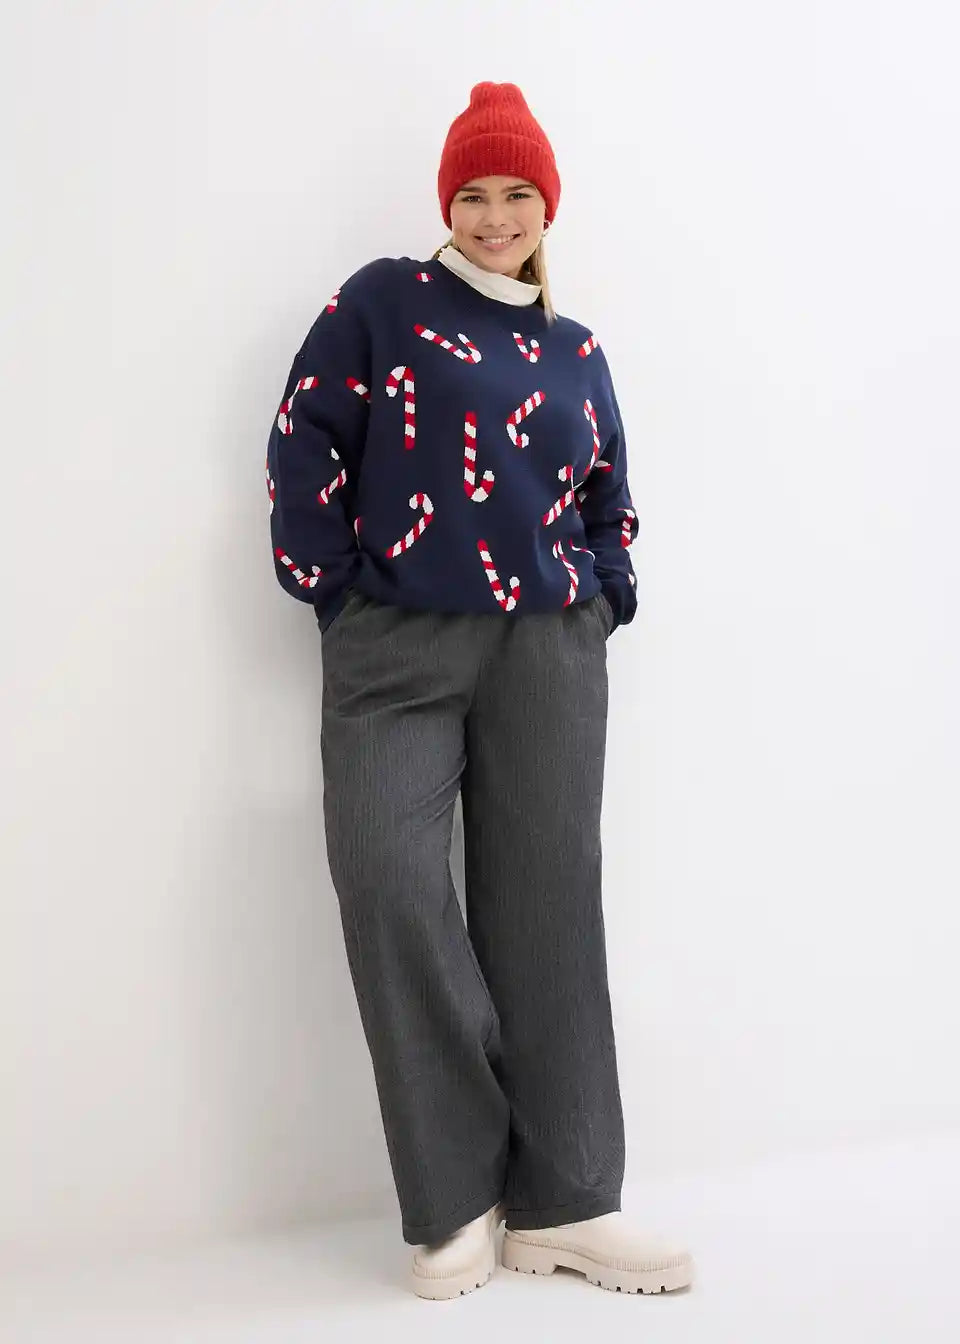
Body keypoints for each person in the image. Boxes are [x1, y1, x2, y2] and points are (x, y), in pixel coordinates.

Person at [264, 80, 695, 1301]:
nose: (495, 215)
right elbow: (304, 437)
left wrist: (605, 595)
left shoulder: (576, 351)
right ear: (445, 203)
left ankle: (568, 1200)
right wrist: (334, 591)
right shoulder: (382, 303)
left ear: (547, 207)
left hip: (546, 648)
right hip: (397, 643)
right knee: (388, 880)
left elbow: (609, 493)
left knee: (550, 909)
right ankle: (457, 1192)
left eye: (517, 194)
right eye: (473, 193)